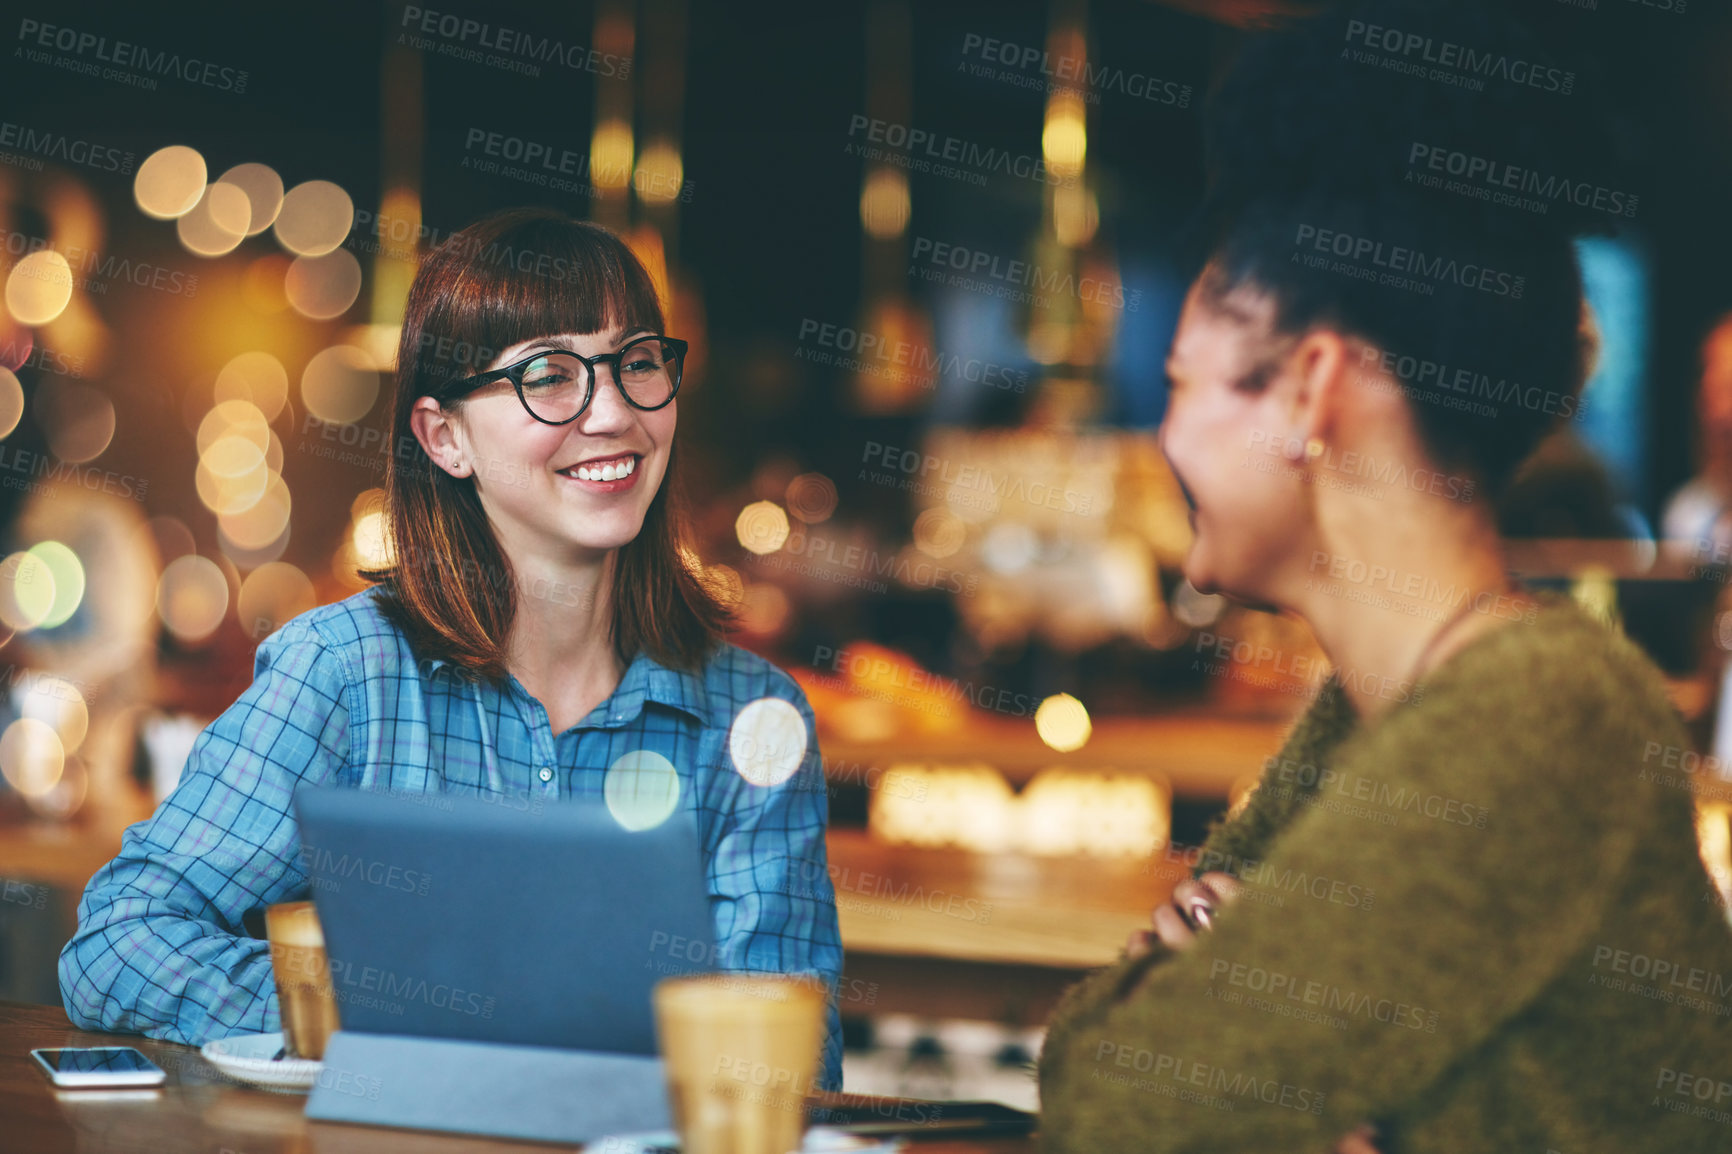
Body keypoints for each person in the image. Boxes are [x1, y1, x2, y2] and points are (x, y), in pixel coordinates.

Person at [1036, 2, 1732, 1151]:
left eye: (1182, 383)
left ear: (1310, 388)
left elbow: (1128, 1112)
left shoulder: (1534, 709)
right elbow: (1082, 1074)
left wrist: (1195, 982)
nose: (1165, 440)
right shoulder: (1376, 707)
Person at [58, 208, 846, 1091]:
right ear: (445, 437)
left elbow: (797, 1059)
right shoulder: (346, 671)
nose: (616, 413)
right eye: (549, 375)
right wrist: (367, 1012)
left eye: (636, 362)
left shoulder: (752, 718)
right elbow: (118, 941)